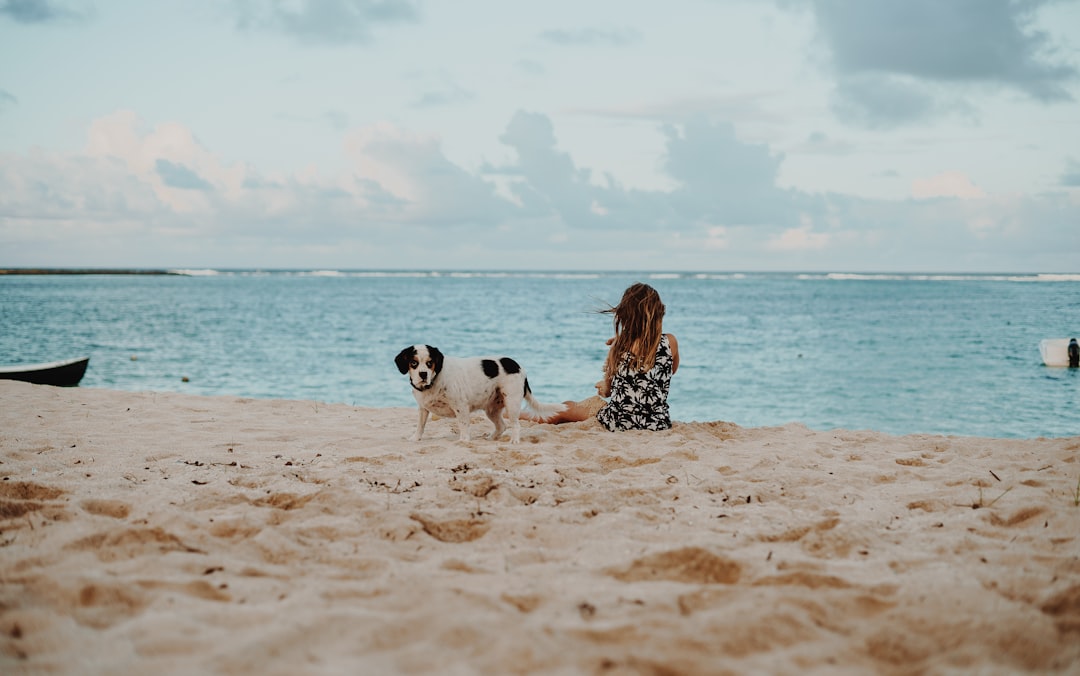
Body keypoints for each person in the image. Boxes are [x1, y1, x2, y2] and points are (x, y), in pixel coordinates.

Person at [531, 282, 680, 430]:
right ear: (659, 313)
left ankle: (512, 414)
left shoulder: (619, 346)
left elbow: (607, 393)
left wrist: (603, 386)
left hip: (619, 423)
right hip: (658, 423)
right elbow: (669, 371)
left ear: (625, 314)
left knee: (566, 407)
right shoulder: (670, 342)